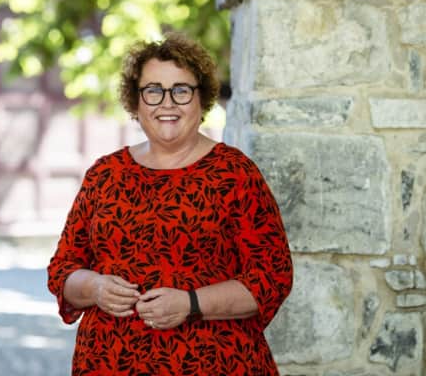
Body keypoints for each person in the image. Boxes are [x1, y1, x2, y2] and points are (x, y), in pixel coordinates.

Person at [47, 32, 293, 375]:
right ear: (136, 101)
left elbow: (272, 277)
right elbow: (62, 270)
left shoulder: (235, 174)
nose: (167, 103)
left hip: (215, 365)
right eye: (153, 90)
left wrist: (191, 303)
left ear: (201, 98)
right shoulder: (104, 175)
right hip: (109, 363)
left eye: (181, 90)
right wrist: (96, 287)